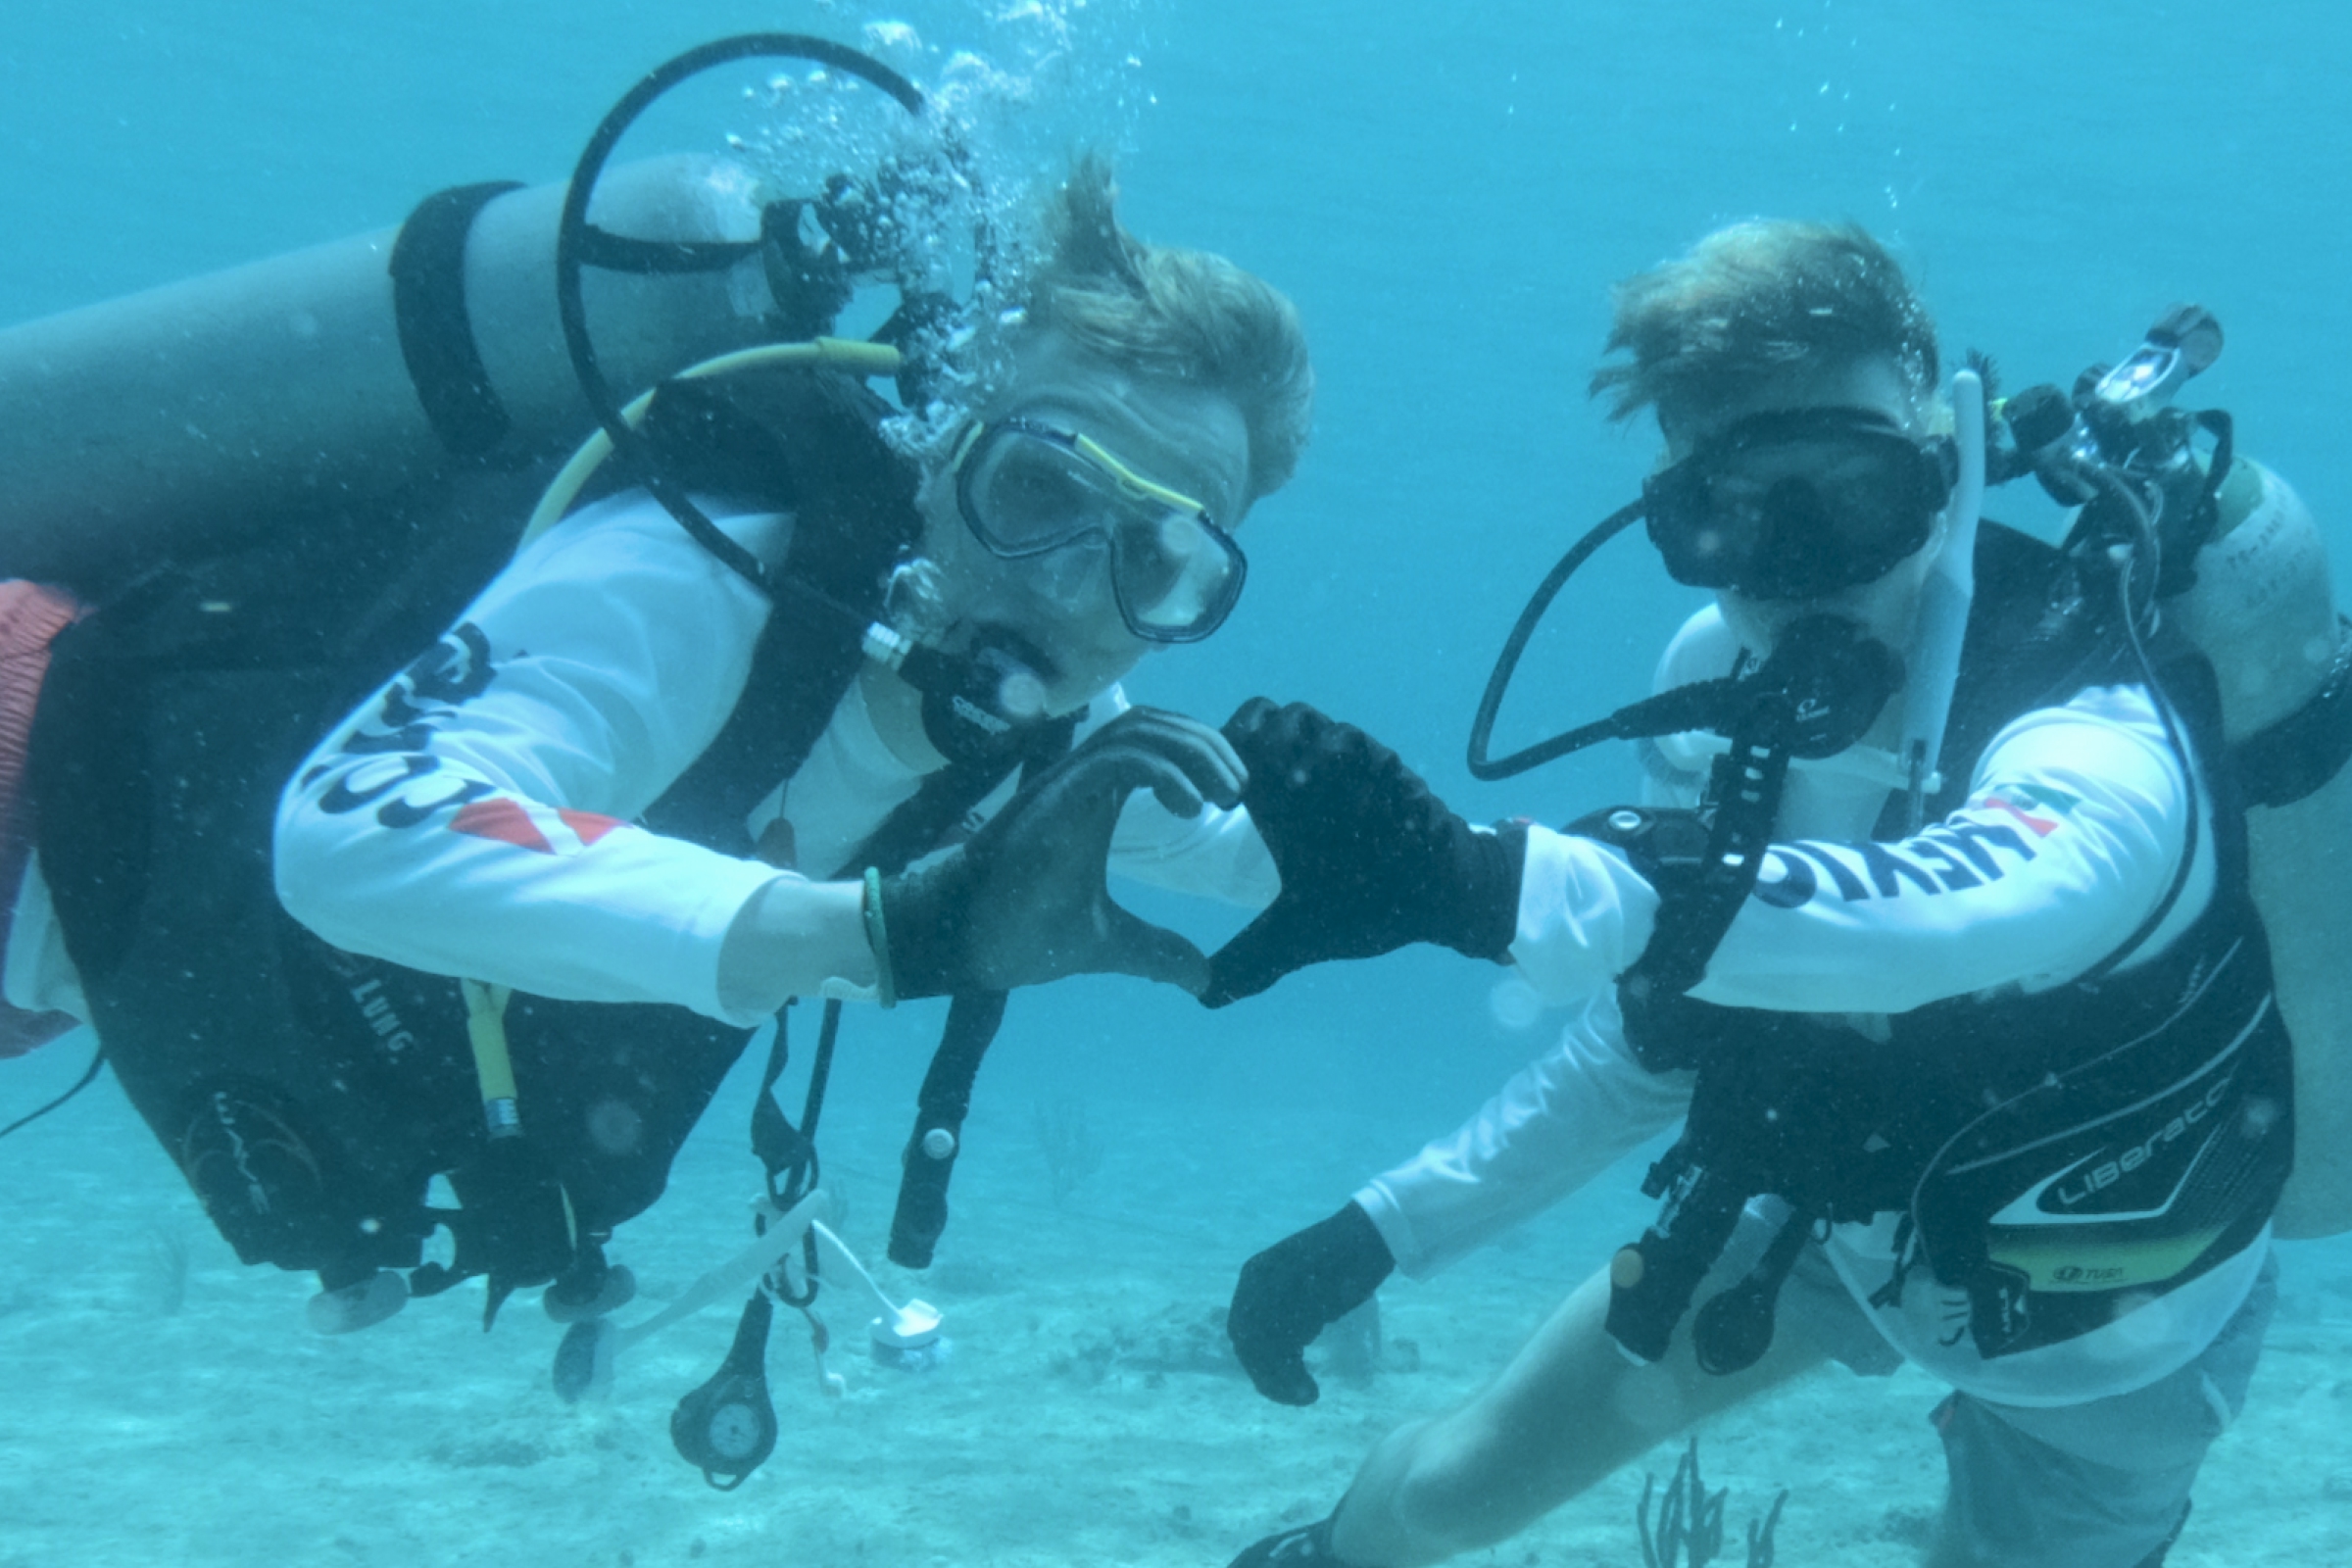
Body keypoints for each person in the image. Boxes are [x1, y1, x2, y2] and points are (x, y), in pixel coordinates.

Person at [6, 155, 1309, 1338]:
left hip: (93, 933)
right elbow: (356, 826)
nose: (1077, 591)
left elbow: (1260, 864)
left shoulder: (1064, 741)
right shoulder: (708, 575)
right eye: (1037, 490)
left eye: (1159, 559)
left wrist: (1463, 877)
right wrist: (873, 934)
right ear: (937, 450)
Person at [1206, 221, 2308, 1568]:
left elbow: (1950, 912)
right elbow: (1667, 1029)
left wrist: (1500, 881)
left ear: (1944, 465)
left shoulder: (2098, 704)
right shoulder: (1717, 692)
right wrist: (1387, 1227)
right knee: (1435, 1495)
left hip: (2111, 1331)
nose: (1796, 572)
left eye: (1846, 493)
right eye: (1726, 515)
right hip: (1823, 1233)